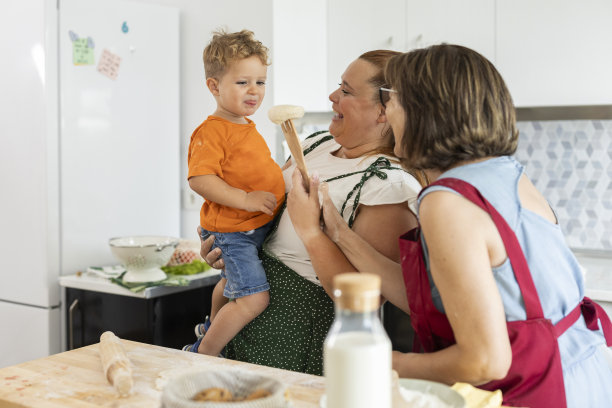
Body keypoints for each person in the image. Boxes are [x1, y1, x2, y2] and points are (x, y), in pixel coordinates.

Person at [289, 44, 612, 407]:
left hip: (535, 393)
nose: (388, 113)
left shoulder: (447, 202)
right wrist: (338, 232)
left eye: (393, 101)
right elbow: (428, 298)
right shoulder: (506, 175)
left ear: (423, 111)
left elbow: (485, 360)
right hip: (584, 382)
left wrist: (383, 364)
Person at [198, 50, 424, 375]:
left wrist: (311, 233)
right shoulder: (314, 145)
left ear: (383, 112)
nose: (332, 97)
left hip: (293, 342)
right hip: (239, 318)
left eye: (346, 91)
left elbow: (365, 300)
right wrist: (227, 243)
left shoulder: (388, 186)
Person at [184, 29, 285, 357]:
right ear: (214, 86)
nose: (254, 91)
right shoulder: (212, 130)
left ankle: (210, 326)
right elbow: (200, 178)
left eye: (260, 82)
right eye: (243, 82)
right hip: (235, 233)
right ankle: (204, 355)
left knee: (229, 284)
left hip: (248, 229)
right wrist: (245, 199)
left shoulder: (244, 124)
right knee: (254, 298)